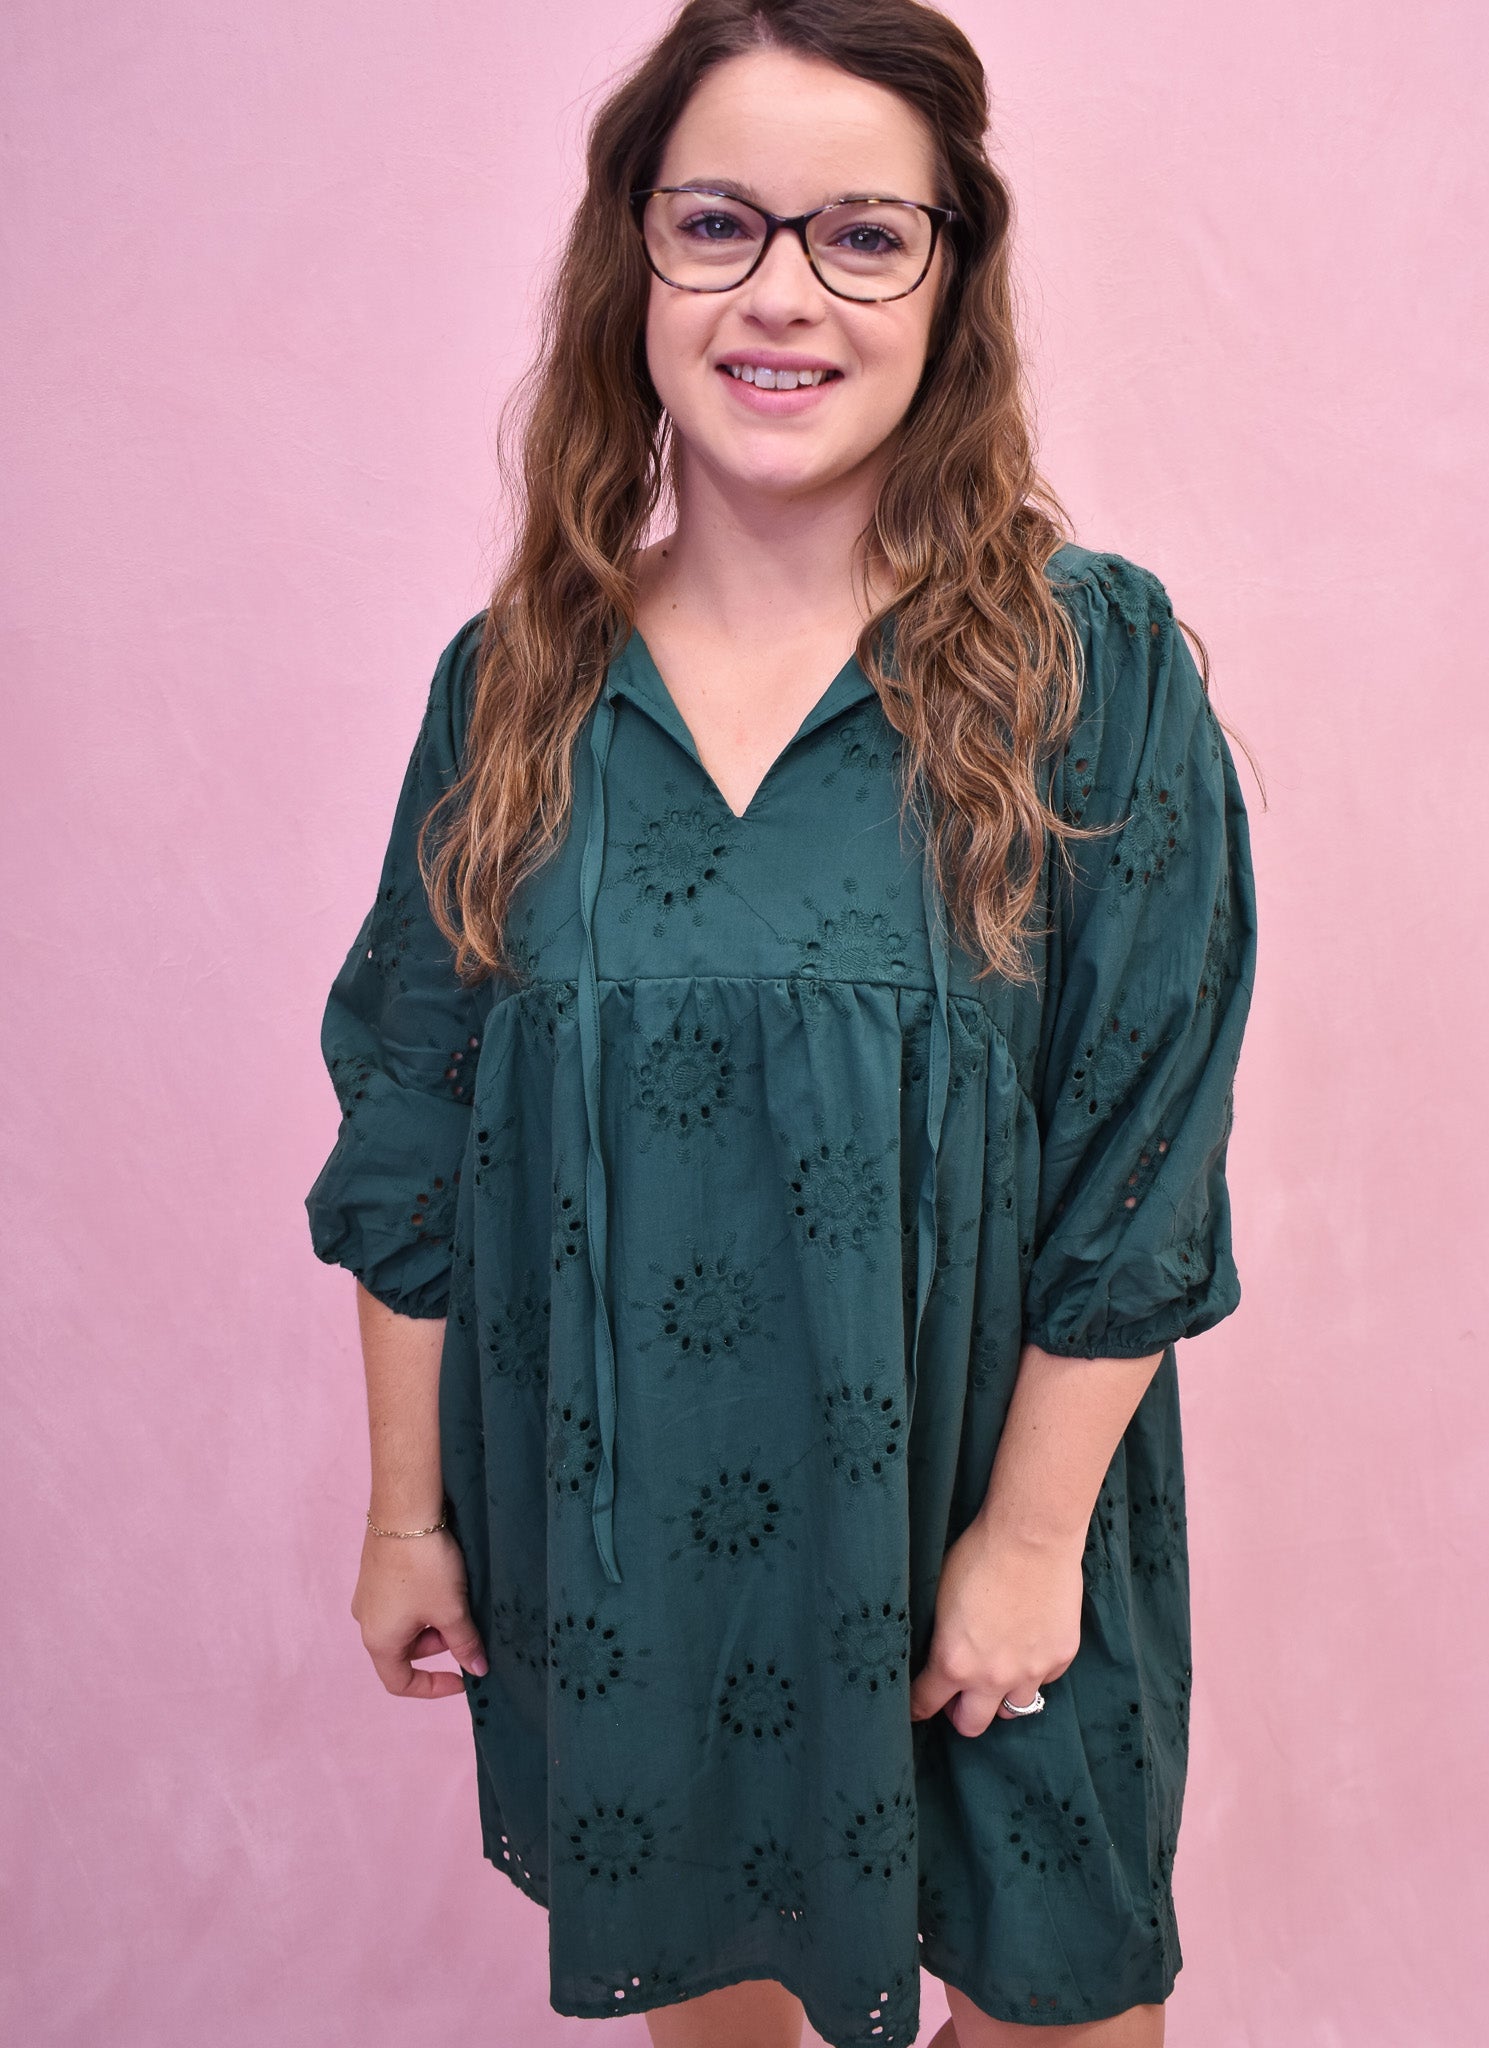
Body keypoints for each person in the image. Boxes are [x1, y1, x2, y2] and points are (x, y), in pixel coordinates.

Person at [304, 3, 1259, 2043]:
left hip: (994, 1537)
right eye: (720, 223)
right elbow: (413, 1120)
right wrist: (406, 1514)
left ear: (949, 278)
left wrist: (1022, 1543)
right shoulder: (516, 689)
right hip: (641, 1541)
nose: (782, 296)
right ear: (635, 258)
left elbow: (1142, 1152)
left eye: (863, 238)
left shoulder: (1097, 668)